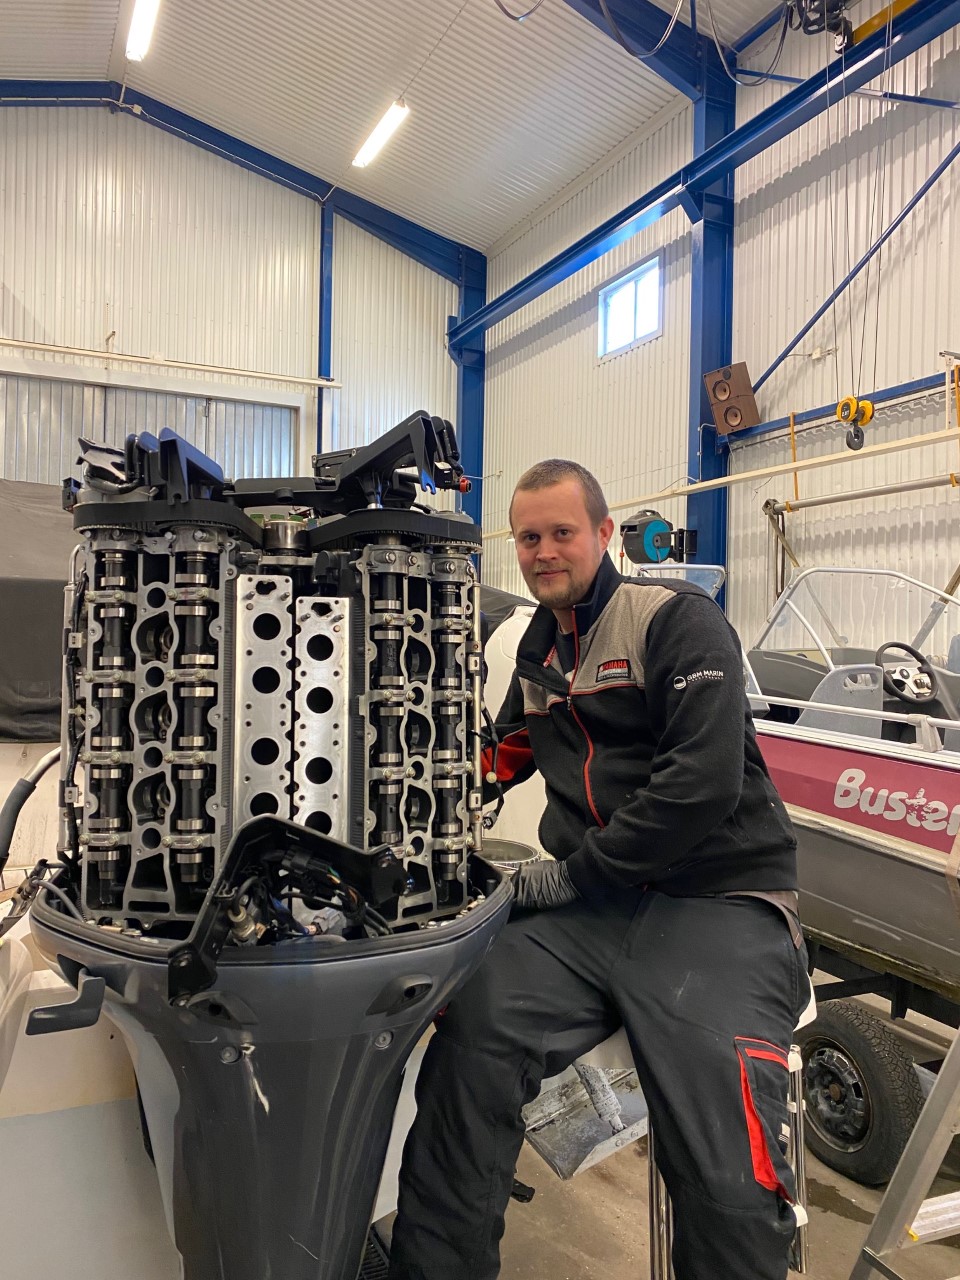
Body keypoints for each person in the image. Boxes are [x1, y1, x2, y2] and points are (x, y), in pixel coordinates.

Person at [388, 459, 808, 1280]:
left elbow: (702, 784)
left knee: (724, 1171)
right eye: (528, 538)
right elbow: (504, 750)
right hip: (599, 913)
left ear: (605, 533)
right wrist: (421, 784)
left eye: (561, 533)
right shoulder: (541, 648)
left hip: (719, 903)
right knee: (469, 1037)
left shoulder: (675, 621)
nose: (543, 552)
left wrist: (570, 877)